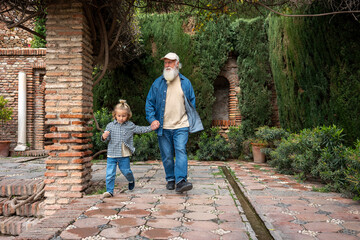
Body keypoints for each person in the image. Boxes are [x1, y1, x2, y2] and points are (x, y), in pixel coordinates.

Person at [146, 52, 203, 193]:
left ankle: (181, 181)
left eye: (170, 62)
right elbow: (149, 103)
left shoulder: (186, 83)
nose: (167, 65)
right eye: (165, 62)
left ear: (177, 64)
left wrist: (190, 121)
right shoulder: (157, 83)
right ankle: (170, 179)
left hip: (181, 125)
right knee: (167, 155)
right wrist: (152, 119)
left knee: (180, 150)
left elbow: (191, 103)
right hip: (163, 126)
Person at [101, 100, 158, 198]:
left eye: (124, 116)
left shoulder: (130, 125)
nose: (121, 118)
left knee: (126, 171)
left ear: (128, 116)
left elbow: (140, 129)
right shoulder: (110, 126)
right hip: (112, 154)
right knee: (110, 173)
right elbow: (106, 139)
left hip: (124, 154)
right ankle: (109, 191)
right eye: (119, 116)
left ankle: (131, 180)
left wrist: (151, 128)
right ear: (115, 115)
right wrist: (104, 137)